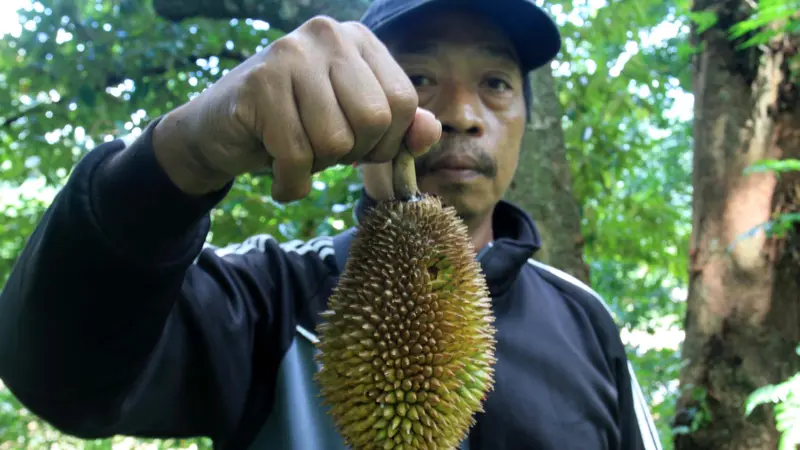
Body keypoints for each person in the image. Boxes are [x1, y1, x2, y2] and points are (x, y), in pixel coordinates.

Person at [0, 0, 662, 448]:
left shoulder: (585, 321)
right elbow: (60, 371)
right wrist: (179, 157)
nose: (460, 112)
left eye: (495, 81)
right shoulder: (269, 298)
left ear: (524, 116)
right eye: (419, 75)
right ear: (357, 99)